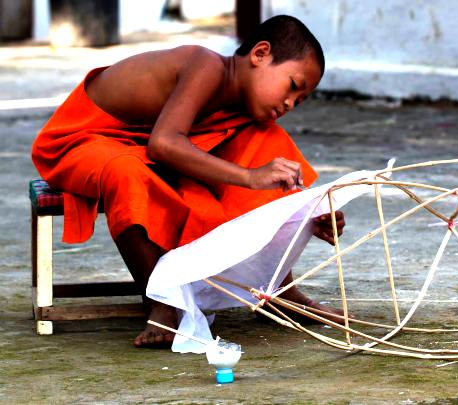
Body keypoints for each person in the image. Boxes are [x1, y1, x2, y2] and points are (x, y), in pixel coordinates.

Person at [32, 15, 346, 348]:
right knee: (126, 172)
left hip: (151, 145)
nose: (289, 104)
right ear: (260, 54)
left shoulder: (238, 105)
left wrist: (309, 212)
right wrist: (250, 177)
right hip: (84, 141)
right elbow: (164, 144)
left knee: (265, 140)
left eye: (299, 101)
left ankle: (281, 289)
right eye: (292, 86)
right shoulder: (206, 65)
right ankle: (161, 304)